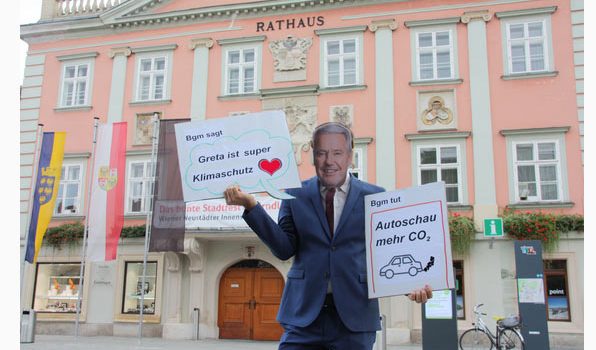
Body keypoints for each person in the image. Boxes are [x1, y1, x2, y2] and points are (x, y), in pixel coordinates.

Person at [224, 122, 432, 350]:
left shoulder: (375, 196)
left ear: (350, 156)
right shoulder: (295, 194)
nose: (329, 161)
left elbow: (387, 252)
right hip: (304, 316)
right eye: (322, 153)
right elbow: (284, 249)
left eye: (337, 153)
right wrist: (252, 206)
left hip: (354, 317)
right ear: (313, 155)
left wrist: (410, 285)